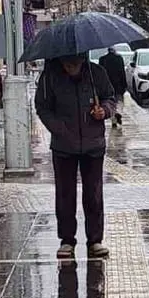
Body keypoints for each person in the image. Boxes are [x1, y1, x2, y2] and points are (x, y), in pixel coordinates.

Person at [35, 55, 118, 260]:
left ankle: (95, 240)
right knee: (65, 194)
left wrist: (104, 111)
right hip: (63, 146)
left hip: (93, 144)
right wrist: (58, 128)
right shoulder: (50, 77)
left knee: (94, 193)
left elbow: (110, 98)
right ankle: (66, 240)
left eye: (75, 63)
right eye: (67, 63)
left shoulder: (96, 74)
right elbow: (42, 107)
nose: (71, 66)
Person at [98, 47, 127, 127]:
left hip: (107, 85)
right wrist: (124, 85)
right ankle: (118, 112)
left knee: (110, 102)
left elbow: (100, 74)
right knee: (119, 101)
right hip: (118, 85)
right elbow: (122, 72)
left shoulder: (102, 59)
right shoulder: (119, 58)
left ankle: (114, 120)